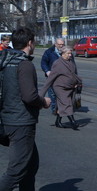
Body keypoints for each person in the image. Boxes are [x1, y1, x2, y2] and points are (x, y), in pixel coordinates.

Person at [0, 27, 52, 191]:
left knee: (30, 164)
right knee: (16, 170)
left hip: (6, 118)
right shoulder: (24, 64)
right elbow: (29, 96)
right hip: (20, 122)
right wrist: (43, 101)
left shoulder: (6, 60)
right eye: (34, 42)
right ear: (30, 43)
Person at [38, 46, 81, 130]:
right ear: (63, 54)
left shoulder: (70, 62)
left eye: (70, 53)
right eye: (68, 53)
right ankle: (73, 122)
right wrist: (41, 94)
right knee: (67, 103)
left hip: (70, 87)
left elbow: (74, 74)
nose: (70, 55)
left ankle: (58, 121)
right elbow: (50, 79)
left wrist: (77, 82)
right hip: (59, 87)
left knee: (61, 105)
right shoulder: (57, 63)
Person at [40, 38, 65, 115]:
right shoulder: (49, 52)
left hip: (63, 77)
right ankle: (54, 109)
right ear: (55, 44)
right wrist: (47, 71)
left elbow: (72, 65)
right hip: (52, 76)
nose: (61, 46)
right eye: (59, 44)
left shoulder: (66, 52)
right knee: (52, 93)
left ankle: (62, 108)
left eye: (62, 44)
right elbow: (43, 62)